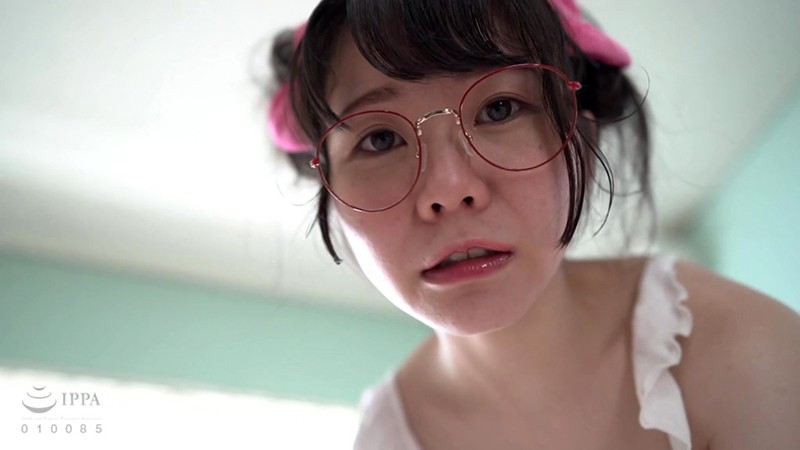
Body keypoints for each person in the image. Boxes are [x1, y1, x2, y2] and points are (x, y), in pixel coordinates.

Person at [266, 0, 800, 448]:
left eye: (500, 108)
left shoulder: (739, 351)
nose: (449, 189)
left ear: (581, 135)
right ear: (328, 189)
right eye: (379, 139)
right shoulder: (385, 438)